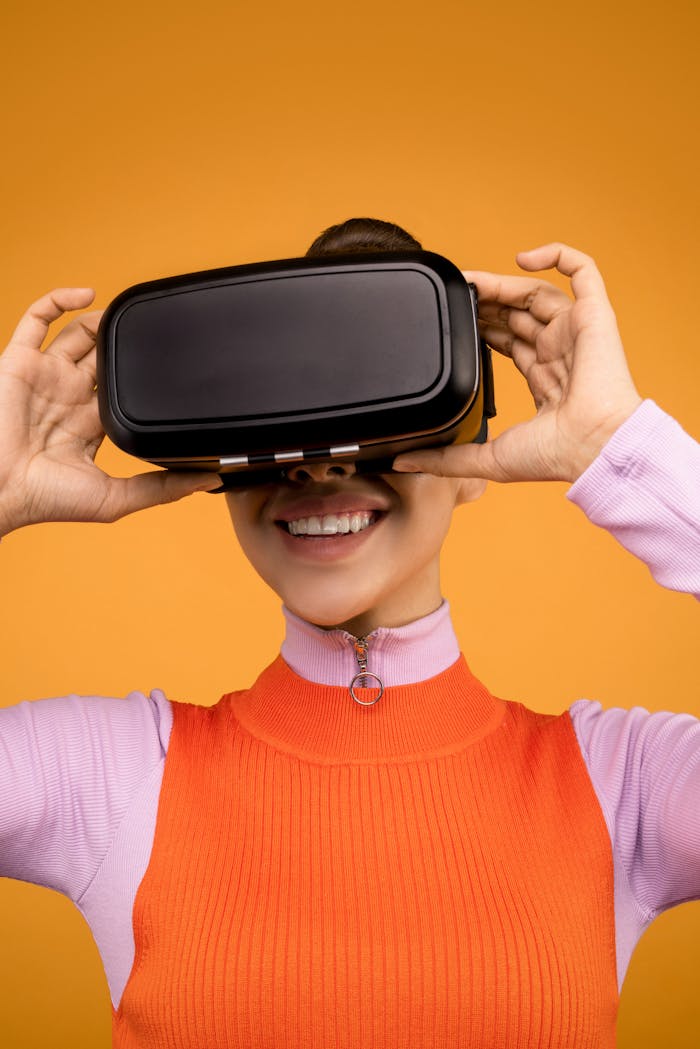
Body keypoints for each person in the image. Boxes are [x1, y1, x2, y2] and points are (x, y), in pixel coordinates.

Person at [0, 217, 698, 1049]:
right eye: (271, 423)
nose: (319, 464)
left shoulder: (627, 786)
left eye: (379, 410)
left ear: (474, 443)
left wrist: (622, 451)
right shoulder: (109, 779)